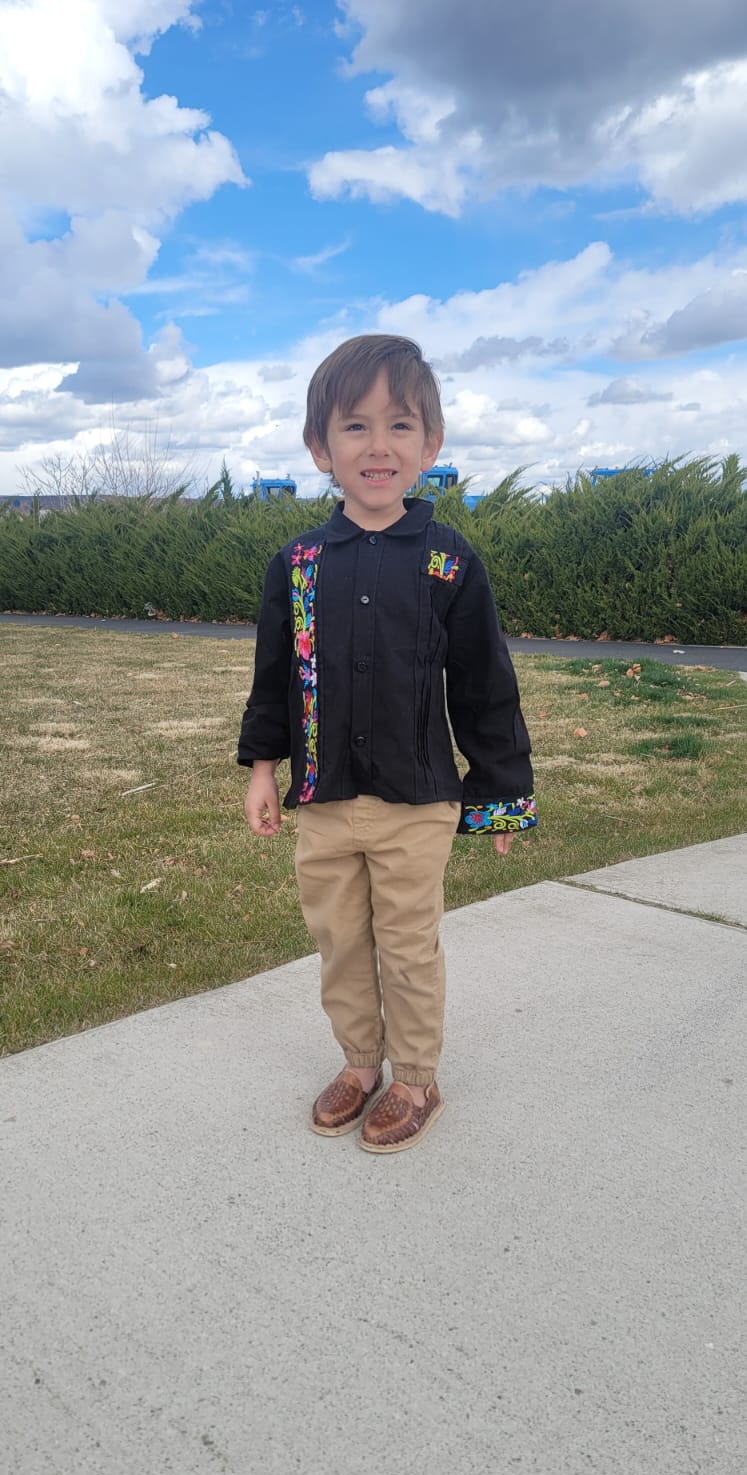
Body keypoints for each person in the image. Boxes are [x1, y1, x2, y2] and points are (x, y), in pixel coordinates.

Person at [238, 333, 536, 1153]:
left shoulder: (448, 564)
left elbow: (484, 685)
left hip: (417, 802)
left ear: (430, 445)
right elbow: (273, 678)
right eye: (355, 427)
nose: (378, 446)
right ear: (319, 448)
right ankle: (359, 1063)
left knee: (406, 947)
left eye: (400, 426)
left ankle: (414, 1079)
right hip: (324, 800)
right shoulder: (295, 567)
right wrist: (263, 768)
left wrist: (502, 795)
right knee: (340, 942)